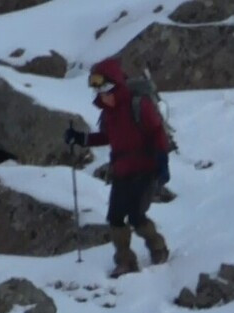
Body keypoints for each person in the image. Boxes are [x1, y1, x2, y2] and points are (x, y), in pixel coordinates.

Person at [64, 57, 171, 278]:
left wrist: (162, 161)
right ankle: (125, 261)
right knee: (115, 217)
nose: (99, 93)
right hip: (122, 171)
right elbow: (107, 136)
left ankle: (158, 247)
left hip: (145, 168)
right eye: (95, 88)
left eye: (101, 87)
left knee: (136, 216)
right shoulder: (109, 112)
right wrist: (80, 138)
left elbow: (157, 131)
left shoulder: (137, 104)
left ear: (113, 84)